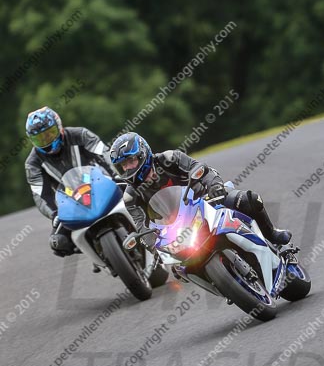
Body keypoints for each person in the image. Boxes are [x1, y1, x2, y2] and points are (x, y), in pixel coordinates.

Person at [109, 132, 291, 246]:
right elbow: (142, 226)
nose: (128, 168)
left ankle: (271, 234)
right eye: (123, 165)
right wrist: (150, 241)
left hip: (206, 201)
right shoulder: (131, 197)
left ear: (143, 153)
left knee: (249, 199)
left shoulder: (169, 159)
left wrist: (215, 186)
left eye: (130, 160)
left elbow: (202, 170)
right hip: (176, 229)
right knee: (178, 271)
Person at [25, 107, 116, 257]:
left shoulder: (80, 134)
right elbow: (40, 194)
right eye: (39, 139)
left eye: (49, 133)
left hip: (100, 183)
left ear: (59, 127)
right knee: (58, 242)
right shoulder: (32, 163)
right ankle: (97, 253)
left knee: (136, 193)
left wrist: (116, 175)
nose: (46, 141)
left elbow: (104, 153)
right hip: (71, 200)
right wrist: (54, 214)